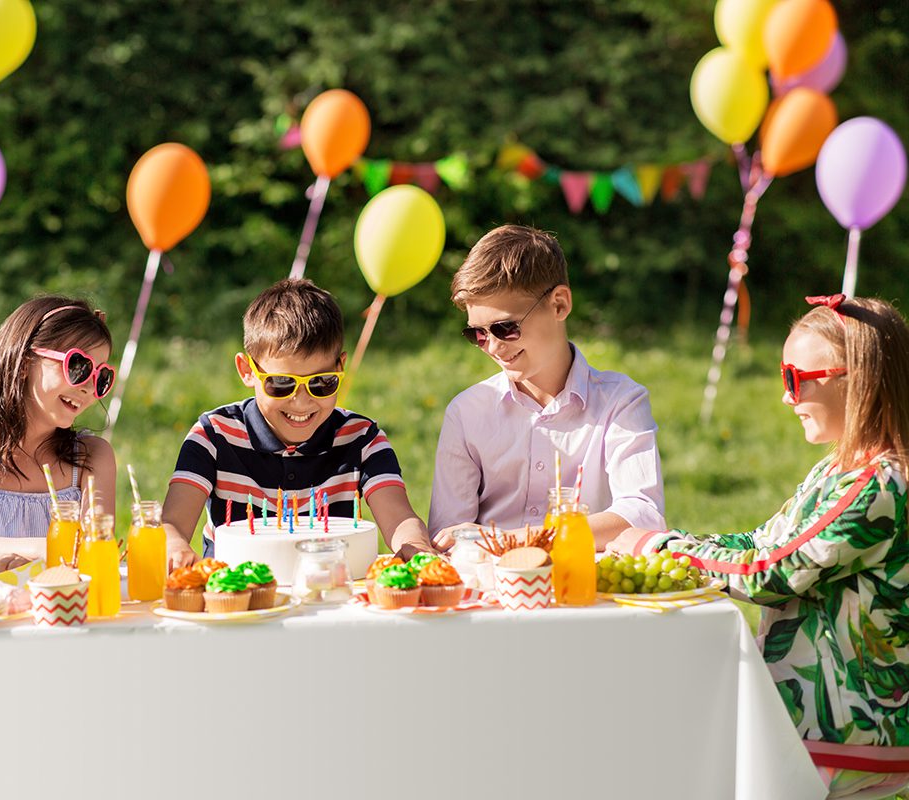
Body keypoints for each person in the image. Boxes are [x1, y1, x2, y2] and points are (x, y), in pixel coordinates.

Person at [609, 295, 909, 800]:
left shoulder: (879, 484)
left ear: (859, 380)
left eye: (797, 379)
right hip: (817, 724)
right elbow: (760, 541)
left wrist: (657, 545)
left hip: (849, 727)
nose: (787, 398)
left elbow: (771, 570)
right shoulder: (841, 469)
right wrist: (675, 545)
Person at [163, 278, 435, 569]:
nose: (301, 402)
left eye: (321, 383)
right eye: (281, 384)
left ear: (340, 367)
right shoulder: (213, 435)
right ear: (247, 370)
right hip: (235, 597)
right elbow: (173, 523)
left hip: (330, 593)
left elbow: (399, 517)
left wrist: (416, 546)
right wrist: (173, 545)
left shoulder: (362, 438)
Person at [429, 224, 665, 551]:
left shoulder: (620, 402)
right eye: (478, 334)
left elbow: (643, 513)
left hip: (586, 589)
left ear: (559, 305)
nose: (493, 348)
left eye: (505, 328)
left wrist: (516, 541)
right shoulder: (467, 412)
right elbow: (447, 537)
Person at [0, 296, 117, 570]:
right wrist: (44, 548)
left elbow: (96, 548)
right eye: (79, 367)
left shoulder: (92, 457)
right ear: (26, 361)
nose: (89, 388)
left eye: (101, 377)